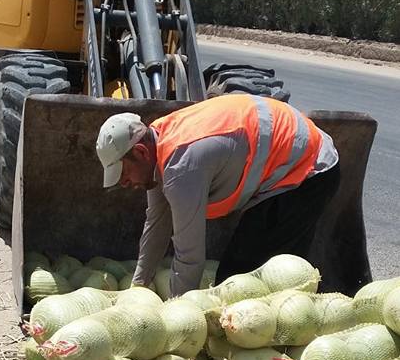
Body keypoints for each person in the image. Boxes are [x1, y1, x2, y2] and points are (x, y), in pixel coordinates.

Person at [95, 95, 340, 297]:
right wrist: (137, 289)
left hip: (309, 171)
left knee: (238, 282)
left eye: (124, 172)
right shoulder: (159, 142)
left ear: (140, 152)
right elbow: (157, 224)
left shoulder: (182, 166)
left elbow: (189, 258)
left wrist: (174, 317)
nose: (125, 183)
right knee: (252, 279)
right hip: (294, 161)